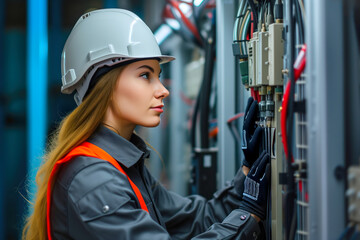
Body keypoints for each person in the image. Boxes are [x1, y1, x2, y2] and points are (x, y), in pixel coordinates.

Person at [22, 9, 270, 240]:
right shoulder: (96, 181)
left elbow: (197, 219)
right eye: (144, 75)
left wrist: (248, 173)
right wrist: (248, 216)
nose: (163, 90)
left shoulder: (121, 166)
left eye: (158, 76)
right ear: (103, 87)